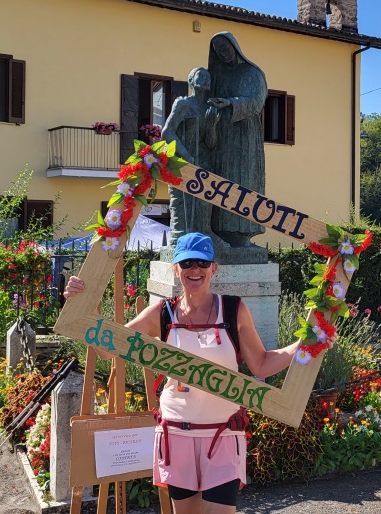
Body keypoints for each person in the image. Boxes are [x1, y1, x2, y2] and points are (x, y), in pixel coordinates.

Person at [63, 232, 305, 514]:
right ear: (175, 269)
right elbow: (108, 350)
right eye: (187, 263)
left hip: (223, 434)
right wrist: (84, 304)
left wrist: (306, 345)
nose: (195, 270)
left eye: (202, 263)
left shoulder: (233, 309)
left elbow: (261, 364)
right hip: (176, 434)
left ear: (214, 268)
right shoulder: (163, 313)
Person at [205, 32, 268, 248]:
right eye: (218, 50)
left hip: (245, 137)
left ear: (234, 47)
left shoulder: (253, 73)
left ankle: (242, 233)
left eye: (225, 48)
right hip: (221, 136)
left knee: (244, 181)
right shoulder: (217, 74)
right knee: (222, 180)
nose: (223, 54)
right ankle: (220, 231)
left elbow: (256, 102)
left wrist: (230, 103)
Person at [160, 67, 221, 243]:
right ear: (191, 81)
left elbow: (211, 144)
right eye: (201, 75)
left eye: (208, 76)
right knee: (182, 205)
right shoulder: (183, 104)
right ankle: (179, 240)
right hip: (183, 163)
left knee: (204, 203)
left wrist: (212, 125)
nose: (206, 79)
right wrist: (187, 157)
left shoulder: (209, 109)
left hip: (203, 163)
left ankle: (204, 236)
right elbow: (167, 132)